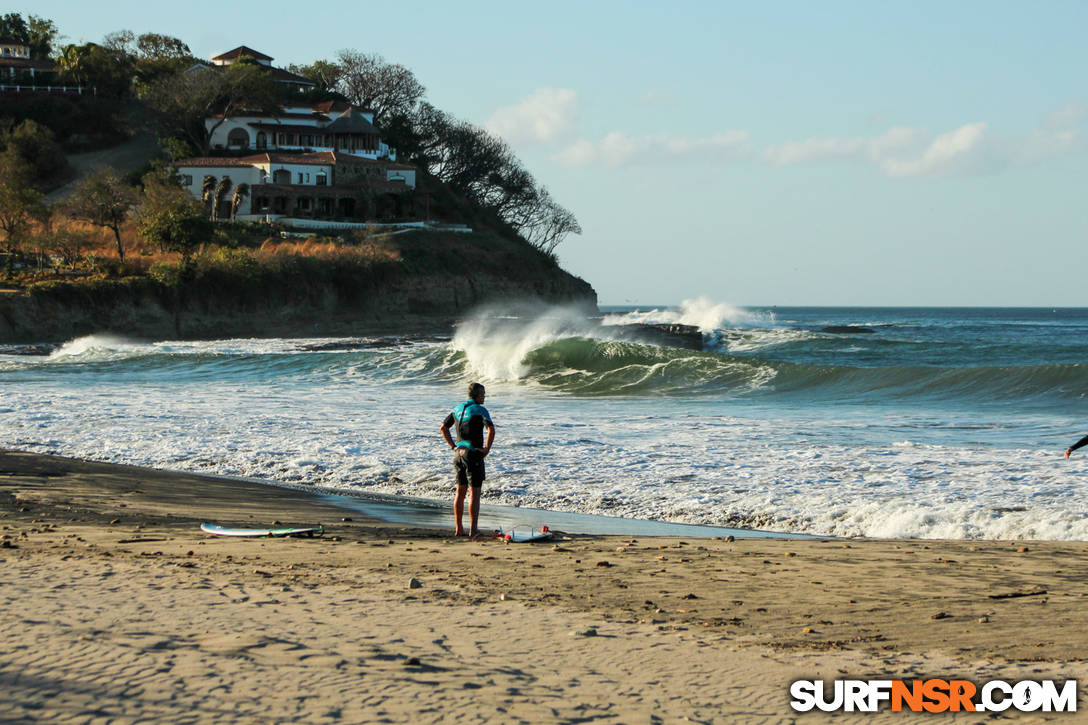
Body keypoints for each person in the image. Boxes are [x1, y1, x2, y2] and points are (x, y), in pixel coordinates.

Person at [440, 382, 495, 537]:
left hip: (458, 454)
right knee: (474, 492)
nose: (484, 396)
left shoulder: (457, 409)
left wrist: (453, 447)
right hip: (473, 454)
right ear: (477, 395)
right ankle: (473, 529)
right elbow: (491, 429)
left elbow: (443, 428)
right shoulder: (480, 409)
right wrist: (486, 449)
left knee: (460, 491)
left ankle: (458, 529)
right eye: (483, 393)